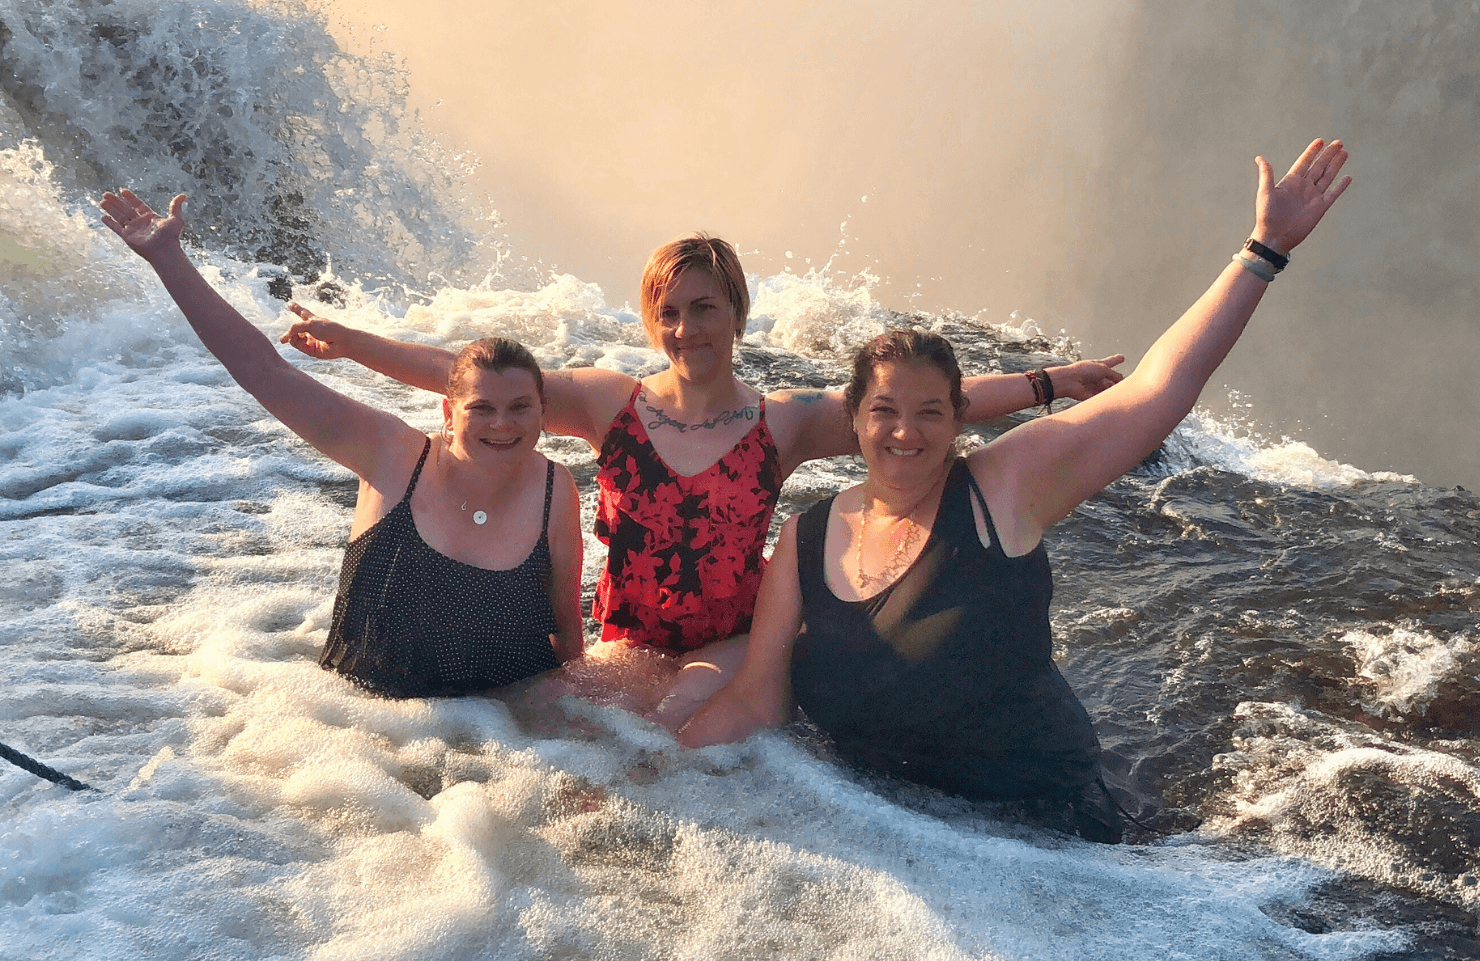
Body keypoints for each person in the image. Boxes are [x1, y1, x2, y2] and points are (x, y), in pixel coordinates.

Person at [677, 139, 1353, 843]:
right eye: (884, 411)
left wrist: (1262, 251)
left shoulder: (1002, 488)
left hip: (1046, 842)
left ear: (958, 418)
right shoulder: (807, 537)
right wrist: (642, 777)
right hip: (897, 839)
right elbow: (756, 701)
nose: (905, 433)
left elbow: (1159, 390)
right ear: (854, 417)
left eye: (930, 412)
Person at [280, 235, 1126, 723]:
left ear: (737, 313)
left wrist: (1048, 386)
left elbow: (917, 408)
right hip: (624, 636)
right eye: (672, 311)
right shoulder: (611, 404)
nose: (689, 327)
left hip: (731, 642)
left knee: (672, 736)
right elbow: (473, 378)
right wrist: (353, 343)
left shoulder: (783, 421)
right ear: (654, 322)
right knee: (557, 738)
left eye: (706, 306)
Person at [98, 190, 585, 698]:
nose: (502, 425)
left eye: (520, 408)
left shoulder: (554, 487)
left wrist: (591, 727)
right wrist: (168, 257)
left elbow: (567, 628)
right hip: (362, 739)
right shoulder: (392, 455)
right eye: (481, 408)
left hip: (504, 744)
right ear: (448, 411)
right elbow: (262, 370)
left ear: (541, 412)